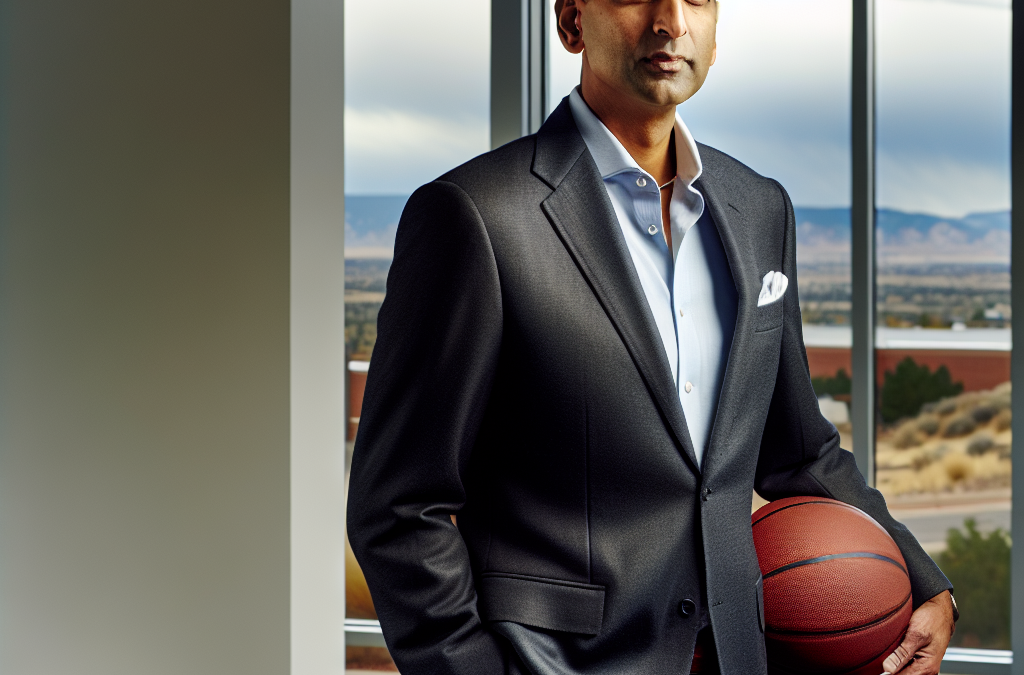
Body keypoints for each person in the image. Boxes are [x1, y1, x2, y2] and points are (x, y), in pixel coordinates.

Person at [346, 1, 957, 673]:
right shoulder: (477, 216)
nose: (669, 20)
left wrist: (921, 576)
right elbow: (400, 505)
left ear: (716, 33)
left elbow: (798, 449)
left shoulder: (760, 209)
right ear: (572, 21)